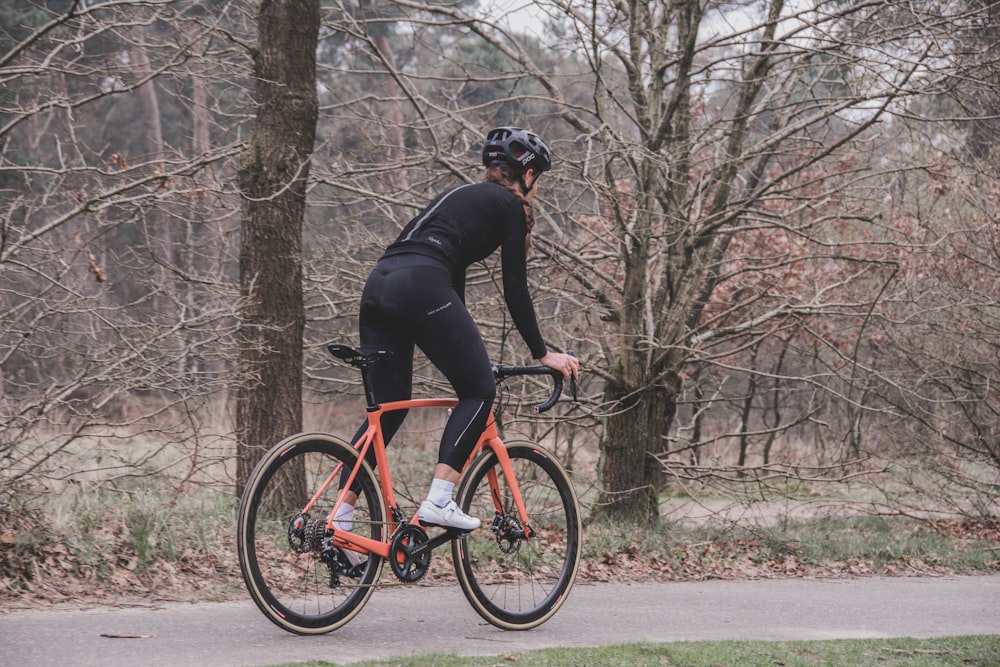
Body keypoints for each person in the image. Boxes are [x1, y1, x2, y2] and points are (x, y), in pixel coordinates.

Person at [336, 126, 579, 536]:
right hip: (421, 283)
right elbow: (515, 290)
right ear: (529, 174)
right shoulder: (508, 205)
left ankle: (339, 520)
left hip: (379, 284)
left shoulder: (462, 197)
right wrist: (542, 353)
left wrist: (465, 351)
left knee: (389, 409)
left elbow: (452, 281)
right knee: (479, 390)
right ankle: (439, 500)